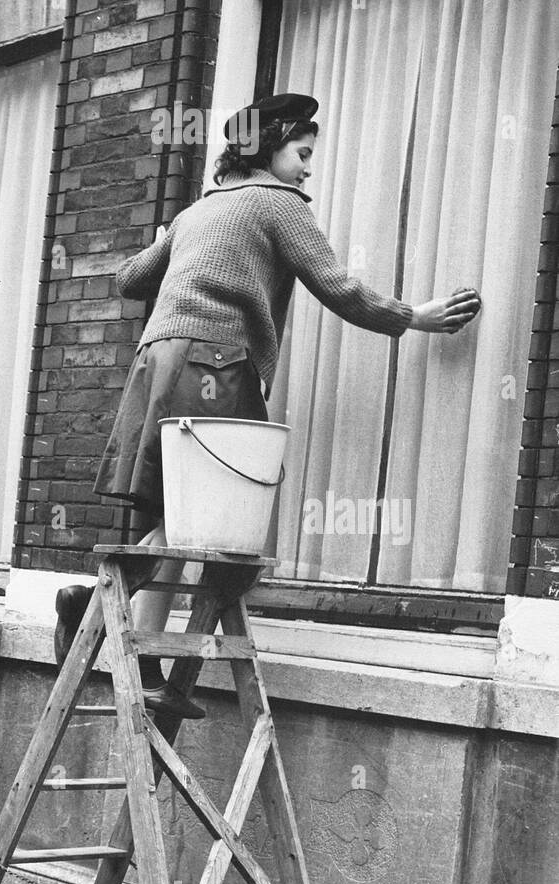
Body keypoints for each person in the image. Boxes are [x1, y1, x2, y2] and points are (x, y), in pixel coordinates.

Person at [54, 92, 481, 717]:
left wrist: (171, 238)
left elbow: (129, 279)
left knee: (178, 517)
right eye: (302, 154)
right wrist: (413, 316)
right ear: (271, 146)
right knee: (207, 520)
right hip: (215, 365)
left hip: (156, 365)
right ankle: (96, 610)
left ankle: (136, 656)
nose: (308, 169)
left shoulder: (202, 210)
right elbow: (336, 286)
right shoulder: (282, 206)